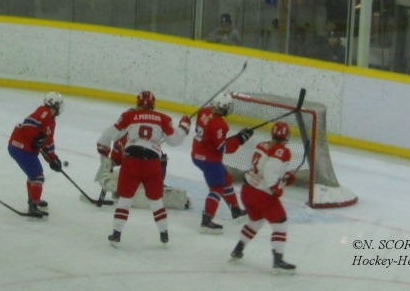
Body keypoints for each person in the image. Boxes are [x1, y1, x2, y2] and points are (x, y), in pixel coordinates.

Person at [96, 91, 191, 247]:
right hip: (152, 163)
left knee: (125, 199)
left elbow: (109, 134)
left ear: (138, 103)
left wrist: (103, 147)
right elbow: (175, 140)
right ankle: (164, 234)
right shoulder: (162, 118)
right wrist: (184, 127)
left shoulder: (129, 116)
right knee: (156, 201)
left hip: (131, 162)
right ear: (153, 104)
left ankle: (116, 234)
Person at [229, 122, 296, 275]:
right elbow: (270, 171)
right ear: (286, 136)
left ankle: (238, 249)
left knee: (255, 222)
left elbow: (264, 168)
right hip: (262, 194)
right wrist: (277, 188)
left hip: (247, 191)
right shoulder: (283, 151)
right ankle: (278, 261)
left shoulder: (261, 144)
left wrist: (284, 178)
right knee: (281, 224)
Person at [192, 93, 252, 234]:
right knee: (217, 187)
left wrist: (236, 137)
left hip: (197, 153)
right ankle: (206, 221)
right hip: (209, 159)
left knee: (226, 179)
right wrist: (240, 140)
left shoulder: (205, 111)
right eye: (228, 105)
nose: (229, 108)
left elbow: (206, 135)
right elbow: (223, 148)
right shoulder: (219, 125)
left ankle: (235, 210)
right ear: (222, 106)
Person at [8, 92, 65, 219]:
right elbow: (28, 126)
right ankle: (33, 205)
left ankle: (33, 200)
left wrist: (52, 159)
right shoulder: (44, 112)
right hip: (20, 147)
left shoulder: (50, 120)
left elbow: (47, 142)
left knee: (34, 175)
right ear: (55, 105)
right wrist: (35, 138)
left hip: (22, 147)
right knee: (37, 176)